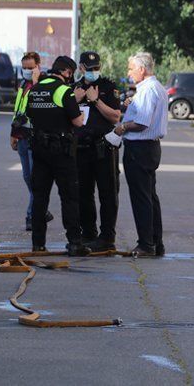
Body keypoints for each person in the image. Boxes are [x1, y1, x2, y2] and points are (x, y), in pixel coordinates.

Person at [25, 56, 89, 256]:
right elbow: (78, 122)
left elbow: (29, 116)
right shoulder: (64, 91)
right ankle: (74, 243)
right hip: (61, 151)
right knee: (69, 197)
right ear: (67, 73)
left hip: (39, 149)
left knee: (39, 198)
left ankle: (38, 244)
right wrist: (77, 103)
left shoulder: (34, 90)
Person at [114, 52, 168, 257]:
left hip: (140, 148)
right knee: (150, 196)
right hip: (149, 148)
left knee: (142, 198)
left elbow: (142, 123)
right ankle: (155, 242)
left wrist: (122, 127)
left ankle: (146, 244)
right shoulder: (156, 88)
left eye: (131, 68)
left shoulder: (147, 90)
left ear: (142, 69)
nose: (128, 73)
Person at [73, 51, 121, 251]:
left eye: (97, 68)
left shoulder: (108, 87)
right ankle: (89, 232)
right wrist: (74, 101)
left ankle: (107, 236)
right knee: (83, 193)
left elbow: (115, 117)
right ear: (81, 68)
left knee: (108, 193)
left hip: (104, 148)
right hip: (81, 148)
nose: (94, 71)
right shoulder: (74, 88)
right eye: (90, 68)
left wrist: (96, 101)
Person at [10, 52, 53, 231]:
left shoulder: (43, 83)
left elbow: (40, 105)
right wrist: (13, 133)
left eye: (30, 68)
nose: (27, 71)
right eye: (24, 68)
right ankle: (42, 209)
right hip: (22, 136)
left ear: (38, 66)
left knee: (36, 179)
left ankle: (32, 215)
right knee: (28, 178)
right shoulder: (22, 84)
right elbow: (18, 110)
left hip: (35, 137)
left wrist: (36, 83)